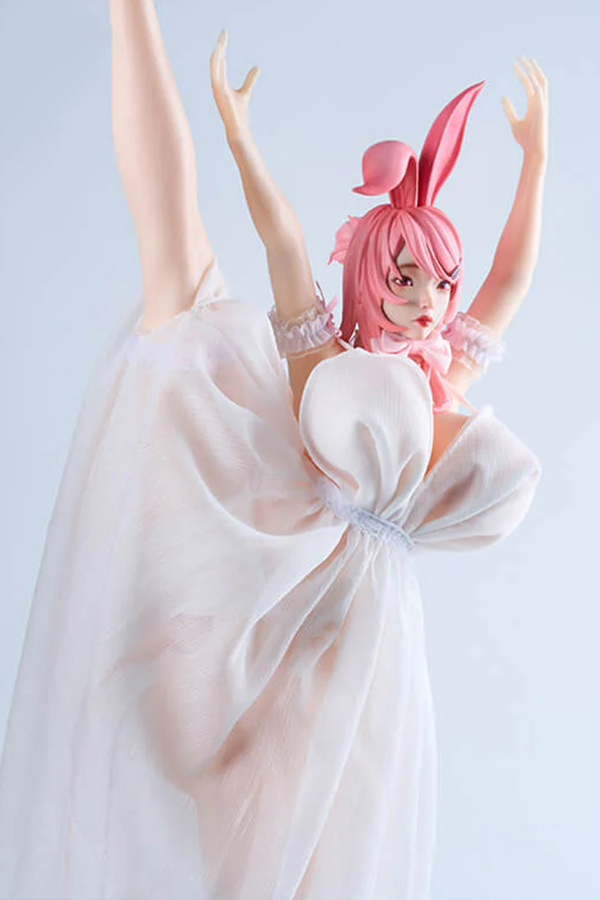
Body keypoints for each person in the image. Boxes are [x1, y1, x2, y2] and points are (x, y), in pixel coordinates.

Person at [0, 2, 546, 898]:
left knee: (326, 851)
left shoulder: (442, 378)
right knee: (242, 829)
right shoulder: (325, 360)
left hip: (371, 654)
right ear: (369, 275)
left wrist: (535, 158)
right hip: (279, 613)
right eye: (405, 277)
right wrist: (239, 138)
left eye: (441, 282)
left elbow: (510, 280)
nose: (429, 299)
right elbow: (284, 241)